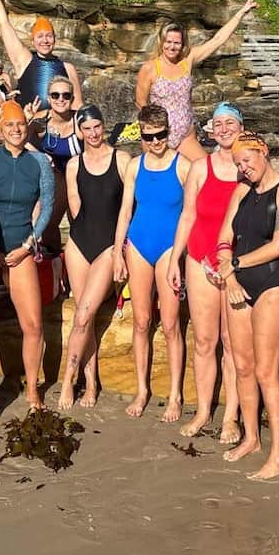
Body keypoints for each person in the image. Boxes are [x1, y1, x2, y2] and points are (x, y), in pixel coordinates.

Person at [213, 133, 279, 480]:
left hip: (272, 283)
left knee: (268, 371)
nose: (243, 168)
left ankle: (278, 454)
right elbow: (224, 239)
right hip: (238, 283)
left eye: (247, 160)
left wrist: (234, 265)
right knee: (242, 365)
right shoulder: (240, 192)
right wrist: (231, 277)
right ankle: (251, 437)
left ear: (263, 152)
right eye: (237, 164)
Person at [170, 102, 246, 441]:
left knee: (232, 343)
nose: (225, 128)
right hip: (199, 259)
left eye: (231, 122)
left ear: (241, 127)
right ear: (211, 130)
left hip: (236, 265)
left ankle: (230, 416)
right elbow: (187, 216)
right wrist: (175, 258)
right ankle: (203, 410)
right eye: (219, 123)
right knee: (204, 341)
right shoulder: (201, 168)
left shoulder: (249, 168)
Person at [0, 100, 57, 410]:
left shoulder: (38, 163)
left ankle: (33, 388)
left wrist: (28, 244)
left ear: (28, 126)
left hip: (21, 249)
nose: (16, 129)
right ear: (0, 130)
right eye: (9, 125)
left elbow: (47, 206)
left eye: (20, 124)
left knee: (33, 325)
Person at [115, 105, 191, 419]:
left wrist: (181, 255)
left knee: (171, 324)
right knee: (142, 321)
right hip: (139, 243)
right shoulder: (134, 165)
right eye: (150, 137)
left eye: (161, 135)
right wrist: (117, 251)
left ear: (168, 131)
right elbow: (125, 211)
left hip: (169, 248)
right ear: (142, 135)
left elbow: (191, 214)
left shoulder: (184, 165)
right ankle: (142, 388)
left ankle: (175, 393)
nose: (156, 142)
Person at [59, 105, 132, 411]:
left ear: (104, 126)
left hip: (107, 245)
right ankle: (89, 381)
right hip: (79, 243)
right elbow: (75, 209)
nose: (93, 133)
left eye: (97, 127)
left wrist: (120, 251)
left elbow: (129, 208)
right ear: (79, 130)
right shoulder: (74, 164)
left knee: (84, 314)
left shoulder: (122, 159)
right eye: (86, 128)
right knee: (82, 315)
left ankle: (67, 381)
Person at [134, 0, 257, 161]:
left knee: (205, 170)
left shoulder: (187, 60)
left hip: (186, 135)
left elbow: (218, 40)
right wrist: (153, 132)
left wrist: (241, 12)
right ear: (161, 42)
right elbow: (141, 103)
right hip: (158, 136)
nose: (172, 47)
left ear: (182, 43)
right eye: (168, 42)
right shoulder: (150, 68)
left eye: (176, 43)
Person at [0, 0, 82, 113]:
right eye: (40, 36)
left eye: (49, 36)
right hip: (31, 125)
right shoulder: (24, 60)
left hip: (61, 128)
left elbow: (77, 106)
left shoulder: (68, 68)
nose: (45, 40)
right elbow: (4, 23)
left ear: (55, 39)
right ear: (33, 41)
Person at [33, 74, 81, 251]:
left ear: (72, 99)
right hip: (55, 179)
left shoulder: (80, 121)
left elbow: (98, 143)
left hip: (80, 178)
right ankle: (52, 261)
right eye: (55, 95)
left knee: (80, 224)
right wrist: (40, 156)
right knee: (48, 221)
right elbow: (17, 140)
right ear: (48, 98)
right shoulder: (40, 119)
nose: (60, 99)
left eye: (66, 95)